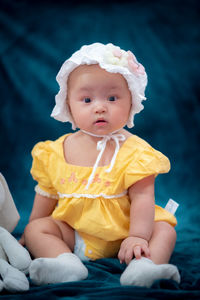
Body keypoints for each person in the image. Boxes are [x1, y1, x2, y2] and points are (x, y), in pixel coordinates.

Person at [20, 43, 180, 287]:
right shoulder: (54, 152)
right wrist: (30, 234)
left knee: (165, 230)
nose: (100, 107)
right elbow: (47, 195)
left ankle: (145, 267)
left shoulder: (136, 151)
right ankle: (65, 264)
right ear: (68, 106)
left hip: (129, 232)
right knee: (37, 228)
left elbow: (143, 198)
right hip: (74, 235)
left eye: (112, 98)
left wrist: (137, 236)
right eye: (86, 99)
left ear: (131, 103)